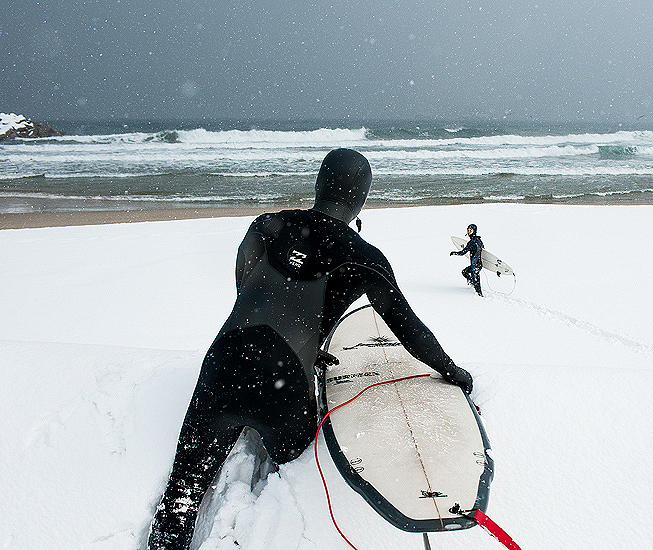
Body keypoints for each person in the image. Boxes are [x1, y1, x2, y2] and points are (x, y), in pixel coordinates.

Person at [148, 148, 473, 550]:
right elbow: (410, 330)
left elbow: (245, 282)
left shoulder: (269, 224)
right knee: (288, 462)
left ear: (319, 184)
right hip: (284, 386)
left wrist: (275, 341)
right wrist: (452, 371)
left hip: (225, 362)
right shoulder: (365, 257)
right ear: (362, 199)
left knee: (183, 493)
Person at [450, 224, 484, 296]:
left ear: (474, 231)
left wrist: (454, 253)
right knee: (465, 272)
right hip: (478, 264)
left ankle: (480, 296)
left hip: (475, 266)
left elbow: (462, 252)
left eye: (470, 230)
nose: (468, 232)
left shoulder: (472, 242)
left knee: (477, 283)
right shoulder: (479, 240)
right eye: (468, 230)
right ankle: (472, 285)